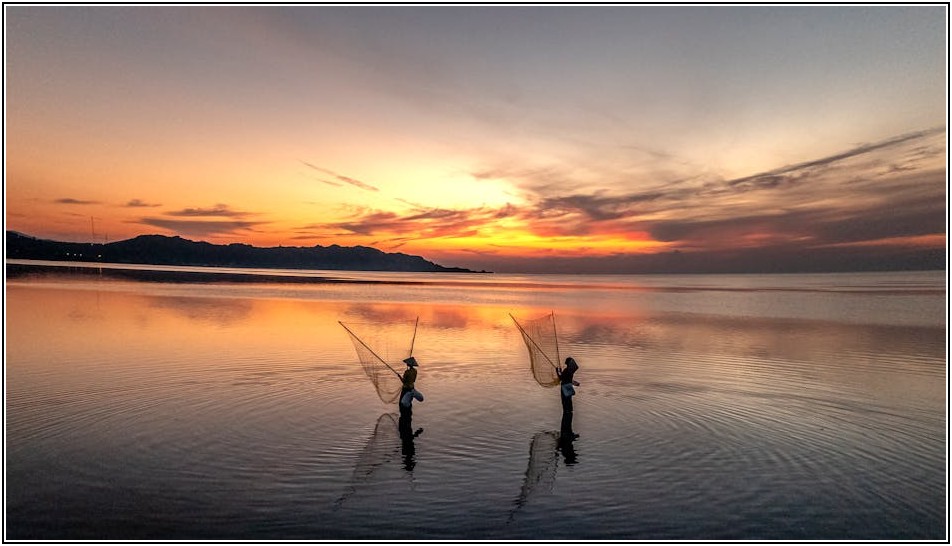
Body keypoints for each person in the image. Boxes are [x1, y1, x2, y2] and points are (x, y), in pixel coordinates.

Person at [557, 357, 580, 440]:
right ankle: (567, 417)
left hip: (565, 388)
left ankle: (567, 417)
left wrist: (558, 372)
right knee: (568, 405)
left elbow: (562, 378)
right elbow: (565, 378)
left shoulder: (568, 370)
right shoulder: (569, 370)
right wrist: (559, 372)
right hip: (567, 388)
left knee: (566, 405)